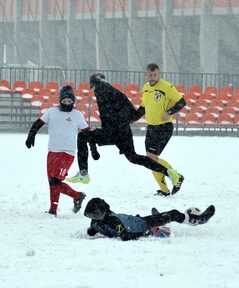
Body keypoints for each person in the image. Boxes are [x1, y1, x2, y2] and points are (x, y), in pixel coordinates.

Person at [67, 73, 184, 195]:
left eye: (93, 87)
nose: (94, 90)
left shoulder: (101, 88)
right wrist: (127, 119)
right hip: (124, 131)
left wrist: (94, 146)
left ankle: (83, 173)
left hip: (112, 131)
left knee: (82, 136)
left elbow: (109, 113)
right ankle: (169, 173)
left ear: (95, 84)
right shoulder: (115, 92)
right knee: (134, 157)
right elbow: (130, 110)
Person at [25, 86, 88, 216]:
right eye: (64, 102)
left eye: (69, 102)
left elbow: (87, 132)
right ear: (60, 101)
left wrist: (92, 147)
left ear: (73, 102)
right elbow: (38, 123)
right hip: (52, 152)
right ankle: (73, 198)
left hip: (68, 153)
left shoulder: (78, 115)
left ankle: (61, 206)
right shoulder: (51, 112)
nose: (66, 104)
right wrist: (31, 135)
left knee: (55, 181)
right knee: (52, 183)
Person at [132, 63, 186, 196]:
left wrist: (169, 112)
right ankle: (165, 189)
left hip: (164, 127)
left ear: (159, 74)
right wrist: (133, 117)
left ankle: (176, 177)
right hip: (151, 127)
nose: (153, 77)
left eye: (155, 74)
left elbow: (181, 102)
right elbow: (144, 107)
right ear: (146, 74)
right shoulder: (145, 87)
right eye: (150, 74)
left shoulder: (166, 86)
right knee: (151, 160)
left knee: (151, 159)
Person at [84, 197, 215, 241]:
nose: (93, 219)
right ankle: (194, 219)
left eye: (95, 215)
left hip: (137, 222)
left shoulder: (103, 222)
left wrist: (92, 230)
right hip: (143, 224)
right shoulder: (106, 221)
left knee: (165, 216)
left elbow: (92, 230)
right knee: (173, 213)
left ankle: (196, 219)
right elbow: (125, 236)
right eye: (91, 216)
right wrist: (146, 232)